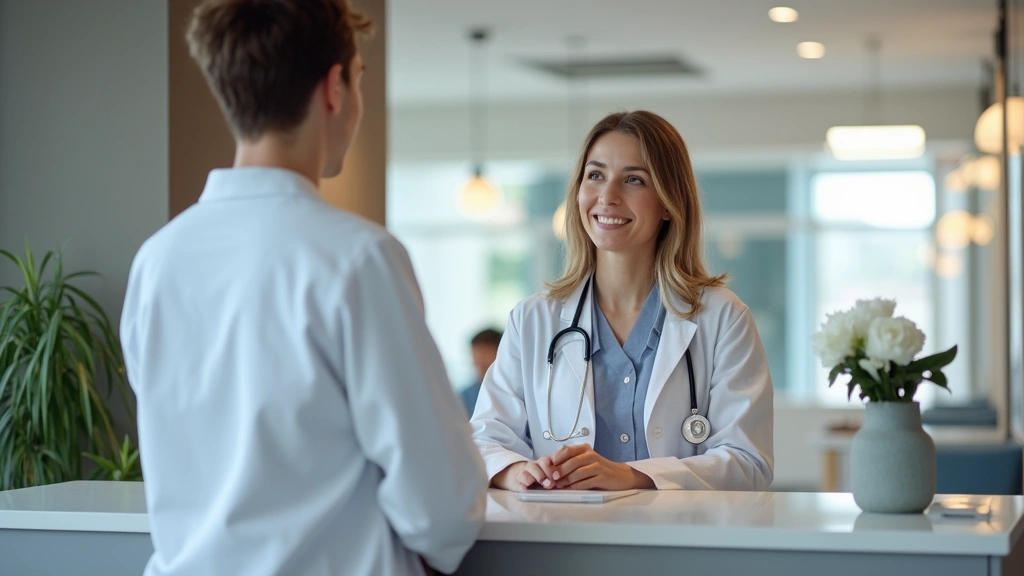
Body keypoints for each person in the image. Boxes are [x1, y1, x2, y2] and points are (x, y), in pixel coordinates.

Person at [119, 2, 486, 575]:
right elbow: (441, 501)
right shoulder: (358, 259)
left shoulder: (156, 262)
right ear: (335, 88)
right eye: (359, 78)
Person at [471, 111, 774, 492]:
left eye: (634, 180)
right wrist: (518, 472)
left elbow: (749, 462)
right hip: (563, 539)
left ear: (668, 202)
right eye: (595, 175)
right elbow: (485, 440)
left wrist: (635, 477)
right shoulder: (533, 319)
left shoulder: (723, 317)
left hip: (683, 540)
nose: (607, 196)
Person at [460, 328, 502, 416]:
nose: (480, 359)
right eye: (476, 353)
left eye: (485, 352)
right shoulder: (464, 396)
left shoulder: (514, 391)